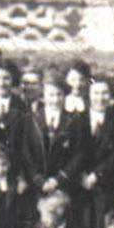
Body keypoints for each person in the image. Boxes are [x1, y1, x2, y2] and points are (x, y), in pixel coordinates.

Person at [21, 71, 88, 200]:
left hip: (63, 185)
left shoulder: (74, 120)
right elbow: (26, 152)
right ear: (43, 96)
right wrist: (39, 180)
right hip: (36, 186)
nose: (55, 100)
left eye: (59, 95)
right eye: (51, 95)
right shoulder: (31, 119)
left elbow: (79, 153)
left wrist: (57, 180)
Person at [78, 76, 114, 228]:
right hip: (80, 185)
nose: (100, 98)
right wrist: (81, 174)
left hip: (106, 186)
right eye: (96, 93)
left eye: (105, 93)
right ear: (89, 95)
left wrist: (96, 175)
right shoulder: (78, 119)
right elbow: (73, 151)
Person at [0, 59, 26, 174]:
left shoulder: (22, 106)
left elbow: (23, 144)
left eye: (6, 78)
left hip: (13, 168)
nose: (1, 83)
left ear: (13, 79)